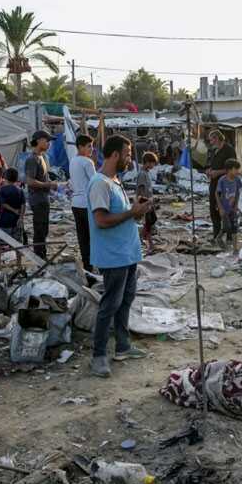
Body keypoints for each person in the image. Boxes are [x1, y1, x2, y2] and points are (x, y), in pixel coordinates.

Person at [87, 135, 152, 377]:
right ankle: (98, 355)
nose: (129, 158)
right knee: (110, 305)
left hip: (127, 254)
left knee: (125, 300)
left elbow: (122, 214)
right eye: (127, 153)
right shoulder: (99, 183)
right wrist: (130, 213)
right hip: (113, 256)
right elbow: (101, 220)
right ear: (114, 154)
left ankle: (123, 346)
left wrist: (137, 210)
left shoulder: (115, 181)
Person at [25, 130, 59, 259]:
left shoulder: (42, 157)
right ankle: (39, 258)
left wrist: (52, 184)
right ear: (38, 140)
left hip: (43, 199)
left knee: (44, 230)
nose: (49, 143)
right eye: (47, 140)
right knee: (39, 230)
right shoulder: (32, 159)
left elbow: (43, 179)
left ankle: (42, 255)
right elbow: (30, 181)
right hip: (38, 200)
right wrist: (48, 185)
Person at [68, 135, 97, 271]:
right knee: (93, 238)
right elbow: (95, 182)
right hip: (86, 204)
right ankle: (95, 266)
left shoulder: (73, 160)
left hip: (76, 204)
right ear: (80, 147)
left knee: (83, 239)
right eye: (89, 146)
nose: (92, 149)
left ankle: (87, 268)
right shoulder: (87, 162)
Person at [205, 130, 237, 245]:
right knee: (213, 210)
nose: (211, 142)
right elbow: (210, 164)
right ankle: (216, 235)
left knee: (226, 210)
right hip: (214, 184)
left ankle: (229, 237)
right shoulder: (214, 150)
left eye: (212, 139)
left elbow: (233, 169)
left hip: (226, 185)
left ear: (217, 138)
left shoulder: (229, 150)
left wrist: (218, 172)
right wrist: (209, 171)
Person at [0, 168, 26, 268]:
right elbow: (23, 205)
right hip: (16, 221)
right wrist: (20, 217)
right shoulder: (20, 190)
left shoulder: (2, 190)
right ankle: (19, 263)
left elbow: (3, 204)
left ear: (5, 178)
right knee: (17, 243)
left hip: (4, 221)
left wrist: (13, 210)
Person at [215, 158, 242, 254]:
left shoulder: (237, 180)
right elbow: (217, 194)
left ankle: (235, 249)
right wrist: (220, 208)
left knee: (234, 227)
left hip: (233, 208)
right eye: (236, 169)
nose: (237, 171)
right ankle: (219, 237)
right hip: (224, 208)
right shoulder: (222, 180)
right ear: (229, 170)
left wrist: (236, 205)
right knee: (227, 227)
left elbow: (238, 192)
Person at [136, 151, 159, 254]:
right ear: (148, 162)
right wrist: (143, 203)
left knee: (151, 221)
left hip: (149, 202)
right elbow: (141, 190)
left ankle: (148, 241)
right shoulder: (142, 174)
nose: (153, 165)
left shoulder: (147, 173)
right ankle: (149, 243)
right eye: (153, 163)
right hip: (145, 202)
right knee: (148, 222)